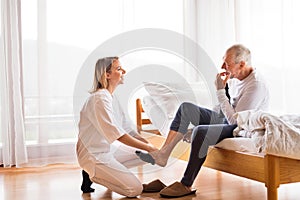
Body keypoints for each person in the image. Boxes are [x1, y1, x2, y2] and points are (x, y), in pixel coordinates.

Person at [136, 44, 270, 197]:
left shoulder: (256, 85)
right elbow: (223, 109)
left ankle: (186, 184)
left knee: (201, 132)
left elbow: (236, 122)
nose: (222, 67)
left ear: (242, 64)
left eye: (227, 64)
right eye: (223, 61)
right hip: (229, 120)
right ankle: (163, 154)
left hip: (243, 128)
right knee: (186, 108)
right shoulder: (235, 77)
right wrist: (220, 98)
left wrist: (220, 91)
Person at [76, 56, 159, 197]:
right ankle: (92, 174)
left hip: (107, 151)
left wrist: (149, 146)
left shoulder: (112, 97)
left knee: (148, 155)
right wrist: (149, 147)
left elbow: (127, 129)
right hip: (94, 156)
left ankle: (106, 174)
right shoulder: (99, 99)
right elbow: (117, 135)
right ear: (107, 75)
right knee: (135, 190)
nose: (124, 71)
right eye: (119, 69)